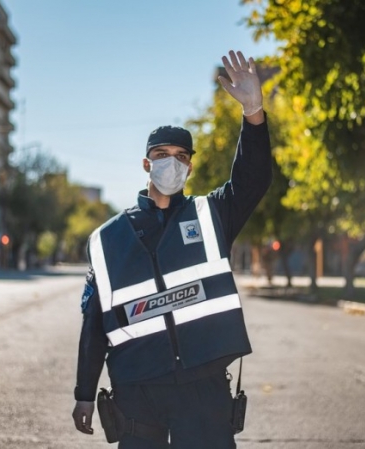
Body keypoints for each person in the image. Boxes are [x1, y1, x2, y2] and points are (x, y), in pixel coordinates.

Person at [71, 50, 272, 448]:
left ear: (190, 167)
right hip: (138, 388)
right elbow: (93, 325)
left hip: (203, 384)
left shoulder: (211, 214)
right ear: (147, 164)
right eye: (162, 156)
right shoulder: (109, 238)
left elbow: (253, 178)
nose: (171, 164)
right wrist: (84, 393)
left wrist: (253, 112)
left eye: (181, 157)